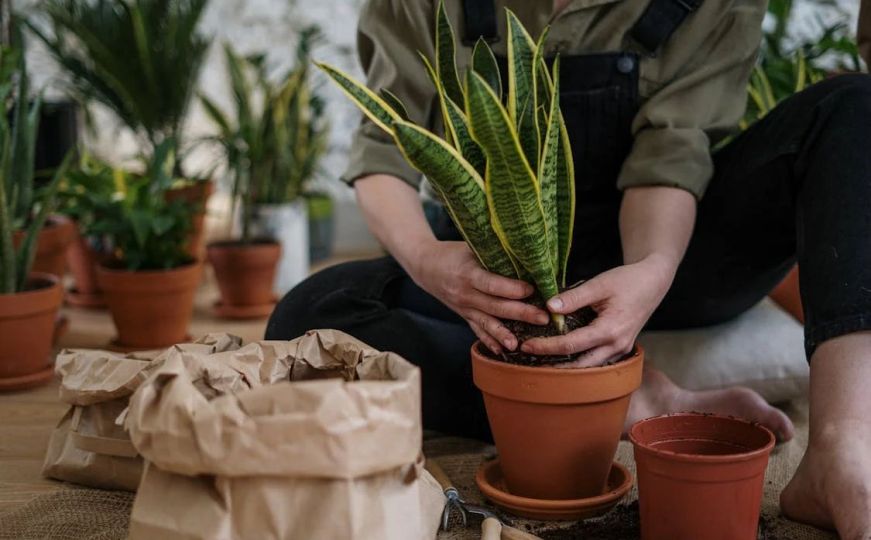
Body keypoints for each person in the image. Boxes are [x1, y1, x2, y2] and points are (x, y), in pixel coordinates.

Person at [266, 1, 871, 536]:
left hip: (672, 255)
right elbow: (385, 150)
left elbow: (670, 155)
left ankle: (843, 447)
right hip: (504, 272)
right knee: (310, 315)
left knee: (851, 108)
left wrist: (653, 272)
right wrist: (430, 263)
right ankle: (631, 403)